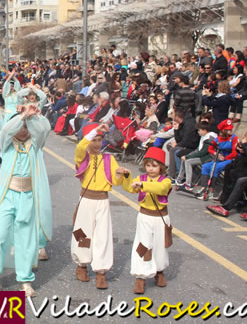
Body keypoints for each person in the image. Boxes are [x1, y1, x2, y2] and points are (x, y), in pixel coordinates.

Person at [0, 104, 52, 297]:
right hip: (7, 196)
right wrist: (22, 117)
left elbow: (45, 128)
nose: (23, 132)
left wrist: (33, 117)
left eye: (27, 128)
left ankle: (25, 280)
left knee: (26, 240)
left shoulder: (35, 146)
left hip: (27, 197)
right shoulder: (6, 145)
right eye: (20, 128)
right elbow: (5, 130)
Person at [71, 123, 128, 289]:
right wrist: (95, 130)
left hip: (102, 200)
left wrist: (120, 174)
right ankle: (81, 265)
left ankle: (101, 272)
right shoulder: (82, 157)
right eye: (93, 140)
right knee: (82, 234)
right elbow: (81, 146)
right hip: (86, 200)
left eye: (99, 140)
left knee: (103, 236)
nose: (96, 143)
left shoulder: (109, 159)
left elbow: (116, 181)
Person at [121, 147, 172, 294]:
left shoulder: (166, 181)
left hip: (161, 217)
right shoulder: (140, 179)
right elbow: (130, 188)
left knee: (160, 246)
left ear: (161, 167)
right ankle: (140, 277)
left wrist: (143, 185)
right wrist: (127, 177)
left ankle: (159, 271)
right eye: (148, 165)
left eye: (154, 166)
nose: (150, 169)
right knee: (143, 245)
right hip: (144, 216)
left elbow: (161, 189)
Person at [194, 119, 239, 200]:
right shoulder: (218, 139)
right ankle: (203, 188)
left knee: (215, 168)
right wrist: (216, 155)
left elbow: (235, 153)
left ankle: (211, 191)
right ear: (223, 130)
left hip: (230, 159)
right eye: (228, 130)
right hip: (220, 158)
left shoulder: (234, 138)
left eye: (231, 129)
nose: (230, 131)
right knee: (206, 166)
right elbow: (210, 149)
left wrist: (225, 158)